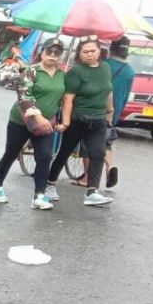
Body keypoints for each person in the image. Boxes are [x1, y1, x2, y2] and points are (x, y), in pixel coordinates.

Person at [0, 38, 66, 209]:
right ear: (42, 52)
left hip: (46, 124)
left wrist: (63, 120)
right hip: (22, 120)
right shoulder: (31, 71)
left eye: (57, 53)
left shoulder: (62, 75)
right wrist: (38, 116)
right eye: (49, 52)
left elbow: (66, 98)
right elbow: (25, 96)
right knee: (11, 152)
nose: (52, 56)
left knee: (45, 156)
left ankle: (39, 195)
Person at [47, 38, 115, 206]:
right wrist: (66, 122)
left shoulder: (105, 68)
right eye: (85, 52)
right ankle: (50, 183)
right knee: (64, 152)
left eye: (93, 51)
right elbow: (68, 99)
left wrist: (110, 110)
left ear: (99, 51)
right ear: (79, 54)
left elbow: (107, 90)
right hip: (78, 119)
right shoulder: (76, 72)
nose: (90, 54)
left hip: (98, 120)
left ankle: (92, 192)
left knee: (98, 153)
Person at [99, 37, 134, 188]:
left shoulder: (103, 65)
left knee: (91, 142)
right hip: (114, 111)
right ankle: (110, 167)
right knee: (106, 140)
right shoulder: (130, 71)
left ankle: (87, 177)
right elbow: (126, 97)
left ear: (112, 48)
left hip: (97, 107)